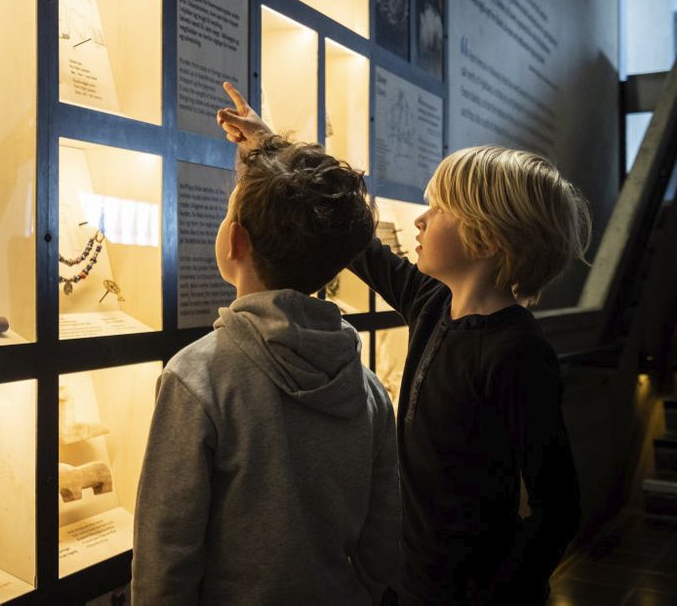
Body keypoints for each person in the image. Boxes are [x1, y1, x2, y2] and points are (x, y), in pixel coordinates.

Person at [217, 82, 586, 604]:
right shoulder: (432, 303)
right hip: (408, 578)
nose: (420, 217)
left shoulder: (517, 353)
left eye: (437, 208)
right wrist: (268, 149)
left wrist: (499, 591)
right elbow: (358, 244)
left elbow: (558, 506)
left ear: (488, 236)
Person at [131, 134, 401, 603]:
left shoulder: (195, 378)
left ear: (235, 240)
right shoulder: (369, 389)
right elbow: (382, 546)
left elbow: (165, 556)